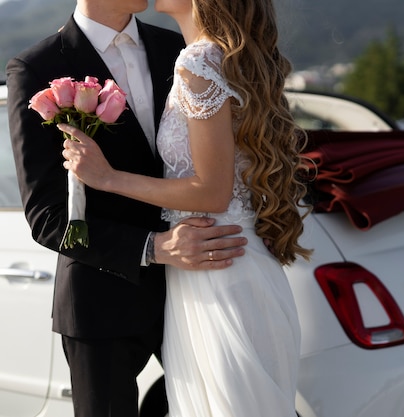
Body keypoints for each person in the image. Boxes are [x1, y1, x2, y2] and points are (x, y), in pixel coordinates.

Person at [59, 0, 313, 414]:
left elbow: (213, 192)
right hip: (225, 266)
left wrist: (108, 178)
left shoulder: (198, 60)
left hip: (220, 272)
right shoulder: (225, 57)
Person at [6, 1, 249, 416]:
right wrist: (154, 247)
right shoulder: (37, 66)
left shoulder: (179, 49)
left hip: (195, 292)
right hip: (102, 299)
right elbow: (46, 214)